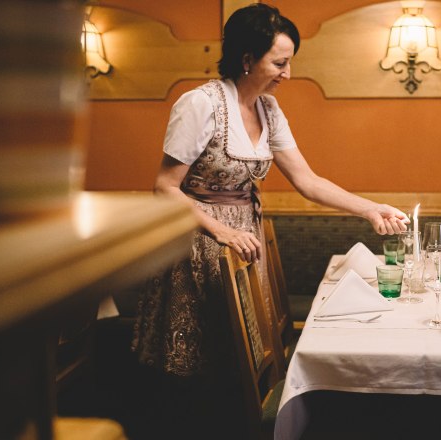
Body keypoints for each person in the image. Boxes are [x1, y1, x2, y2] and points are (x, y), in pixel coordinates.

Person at [131, 3, 407, 434]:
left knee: (241, 361)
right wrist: (222, 232)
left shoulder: (269, 110)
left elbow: (308, 180)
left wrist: (369, 208)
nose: (288, 74)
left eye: (289, 62)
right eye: (280, 63)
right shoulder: (199, 104)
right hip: (197, 242)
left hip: (245, 240)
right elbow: (165, 187)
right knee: (196, 362)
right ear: (247, 59)